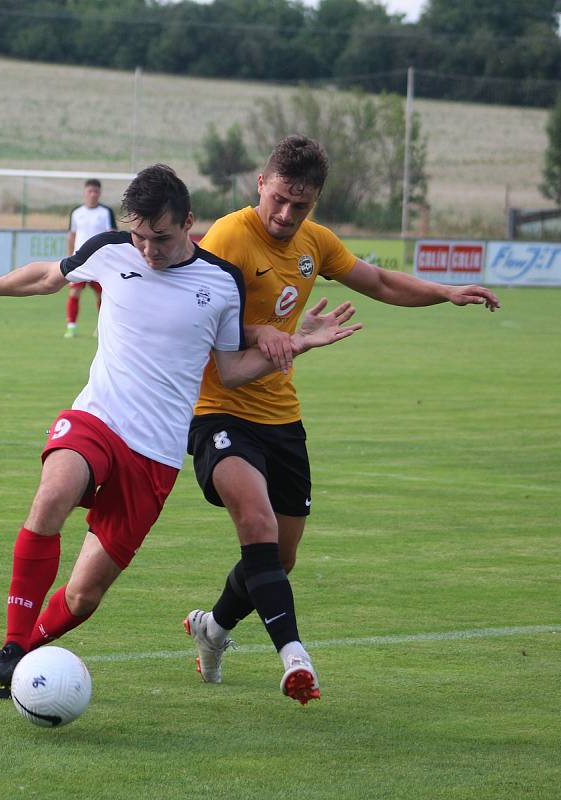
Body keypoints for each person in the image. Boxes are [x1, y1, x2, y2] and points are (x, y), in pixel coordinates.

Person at [0, 164, 362, 703]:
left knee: (85, 595)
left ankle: (20, 663)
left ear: (188, 223)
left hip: (154, 456)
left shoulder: (221, 281)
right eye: (138, 235)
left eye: (159, 237)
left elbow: (230, 370)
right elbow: (47, 276)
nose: (147, 249)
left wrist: (291, 347)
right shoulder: (110, 249)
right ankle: (14, 648)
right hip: (97, 420)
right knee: (52, 497)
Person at [183, 135, 501, 704]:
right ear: (261, 183)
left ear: (315, 202)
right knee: (255, 525)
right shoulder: (229, 238)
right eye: (278, 199)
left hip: (281, 418)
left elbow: (377, 282)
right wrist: (262, 332)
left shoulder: (316, 243)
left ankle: (213, 629)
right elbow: (193, 316)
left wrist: (445, 291)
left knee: (278, 558)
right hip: (219, 409)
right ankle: (294, 656)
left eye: (299, 206)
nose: (284, 215)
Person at [64, 178, 116, 338]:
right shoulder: (77, 212)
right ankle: (71, 327)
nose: (93, 194)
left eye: (96, 192)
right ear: (85, 193)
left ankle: (101, 328)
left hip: (101, 262)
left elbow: (112, 236)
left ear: (99, 193)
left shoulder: (106, 212)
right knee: (74, 294)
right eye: (90, 191)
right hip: (79, 261)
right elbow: (71, 235)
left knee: (103, 296)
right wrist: (70, 255)